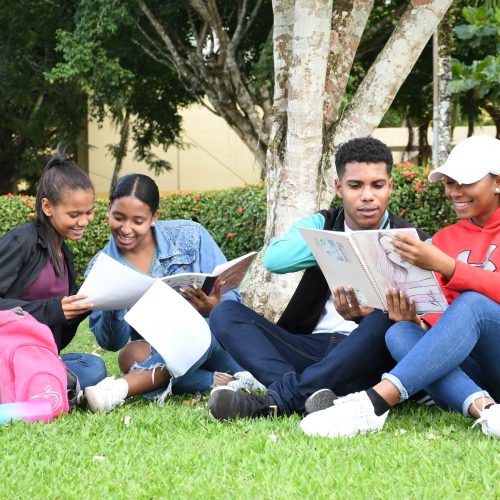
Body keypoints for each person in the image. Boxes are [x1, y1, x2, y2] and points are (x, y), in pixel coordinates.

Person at [207, 137, 430, 421]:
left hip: (371, 357)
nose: (367, 196)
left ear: (390, 186)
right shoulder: (322, 223)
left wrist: (383, 316)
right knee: (225, 312)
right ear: (339, 187)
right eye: (355, 185)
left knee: (385, 316)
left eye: (377, 185)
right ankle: (311, 391)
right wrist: (337, 246)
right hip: (310, 347)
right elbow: (275, 259)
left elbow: (431, 323)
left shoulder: (414, 240)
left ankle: (283, 399)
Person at [299, 134, 500, 439]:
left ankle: (374, 403)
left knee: (475, 304)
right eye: (449, 182)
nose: (454, 191)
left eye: (465, 182)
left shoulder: (439, 253)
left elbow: (473, 308)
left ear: (497, 182)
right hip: (476, 369)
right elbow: (442, 312)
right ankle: (488, 411)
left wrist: (448, 266)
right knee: (400, 333)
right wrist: (417, 320)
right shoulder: (444, 239)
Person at [83, 174, 263, 412]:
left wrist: (212, 307)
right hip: (164, 348)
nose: (126, 229)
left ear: (154, 217)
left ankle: (120, 389)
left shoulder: (191, 236)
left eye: (138, 221)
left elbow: (231, 299)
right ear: (109, 210)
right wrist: (113, 301)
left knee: (200, 327)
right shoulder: (101, 267)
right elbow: (111, 342)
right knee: (129, 355)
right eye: (118, 218)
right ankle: (227, 381)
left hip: (215, 339)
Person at [0, 144, 107, 391]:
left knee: (94, 366)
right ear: (48, 207)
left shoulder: (64, 255)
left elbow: (56, 334)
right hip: (8, 352)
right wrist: (53, 309)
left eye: (89, 212)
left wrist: (81, 308)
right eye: (74, 215)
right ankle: (48, 386)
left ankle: (43, 385)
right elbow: (49, 311)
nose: (84, 221)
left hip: (38, 355)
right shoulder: (21, 241)